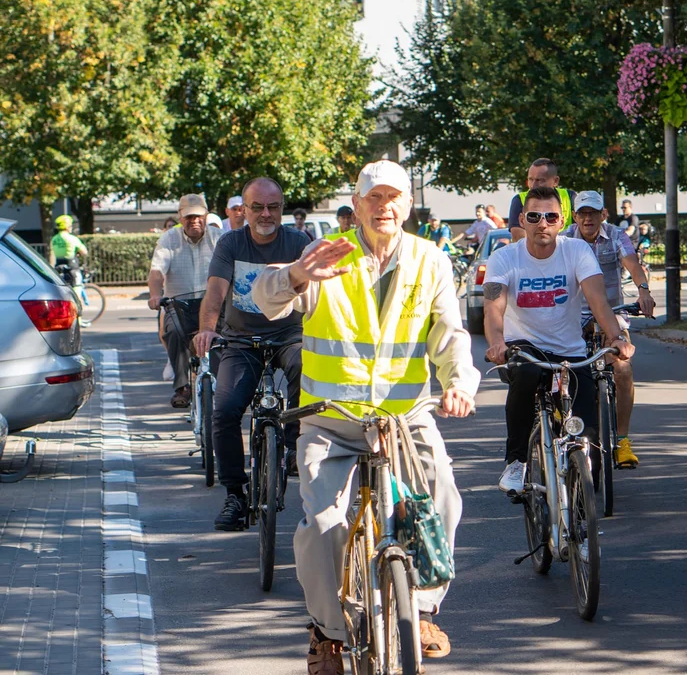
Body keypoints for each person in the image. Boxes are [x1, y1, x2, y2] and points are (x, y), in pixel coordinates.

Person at [251, 159, 477, 672]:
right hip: (331, 419)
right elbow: (265, 299)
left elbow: (449, 335)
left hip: (404, 418)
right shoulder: (327, 255)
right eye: (374, 198)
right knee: (325, 525)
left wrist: (460, 382)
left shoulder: (430, 260)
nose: (385, 207)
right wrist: (293, 276)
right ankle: (329, 632)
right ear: (356, 207)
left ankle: (419, 608)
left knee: (441, 491)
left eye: (394, 197)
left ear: (408, 206)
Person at [484, 186, 633, 493]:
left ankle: (578, 509)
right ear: (523, 220)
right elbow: (494, 311)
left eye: (551, 217)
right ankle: (516, 462)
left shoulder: (576, 251)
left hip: (569, 351)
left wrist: (616, 338)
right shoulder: (504, 258)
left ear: (561, 220)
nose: (543, 223)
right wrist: (497, 343)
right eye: (535, 216)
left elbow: (598, 302)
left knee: (588, 439)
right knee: (524, 376)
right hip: (525, 348)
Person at [193, 178, 311, 532]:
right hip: (241, 340)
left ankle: (292, 450)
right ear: (243, 210)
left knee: (307, 370)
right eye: (257, 207)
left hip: (290, 334)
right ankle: (235, 495)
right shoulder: (231, 243)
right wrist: (207, 328)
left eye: (273, 207)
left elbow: (315, 290)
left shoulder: (297, 241)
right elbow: (215, 292)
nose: (265, 214)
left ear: (282, 208)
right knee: (225, 411)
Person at [566, 190, 654, 467]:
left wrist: (643, 291)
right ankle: (564, 427)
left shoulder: (616, 235)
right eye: (582, 213)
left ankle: (622, 441)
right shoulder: (565, 238)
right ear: (575, 216)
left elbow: (632, 264)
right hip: (572, 319)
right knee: (561, 371)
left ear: (603, 214)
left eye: (593, 213)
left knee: (623, 369)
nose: (588, 218)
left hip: (611, 318)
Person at [148, 194, 223, 408]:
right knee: (171, 332)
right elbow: (156, 272)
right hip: (178, 304)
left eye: (199, 216)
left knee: (226, 336)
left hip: (213, 303)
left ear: (206, 216)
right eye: (189, 217)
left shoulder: (220, 237)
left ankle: (225, 384)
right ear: (181, 218)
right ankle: (182, 387)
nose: (194, 221)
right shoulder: (168, 239)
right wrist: (155, 294)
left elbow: (232, 268)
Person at [507, 158, 575, 242]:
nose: (533, 185)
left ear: (556, 181)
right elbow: (518, 237)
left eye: (540, 180)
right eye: (530, 179)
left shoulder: (569, 197)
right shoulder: (519, 200)